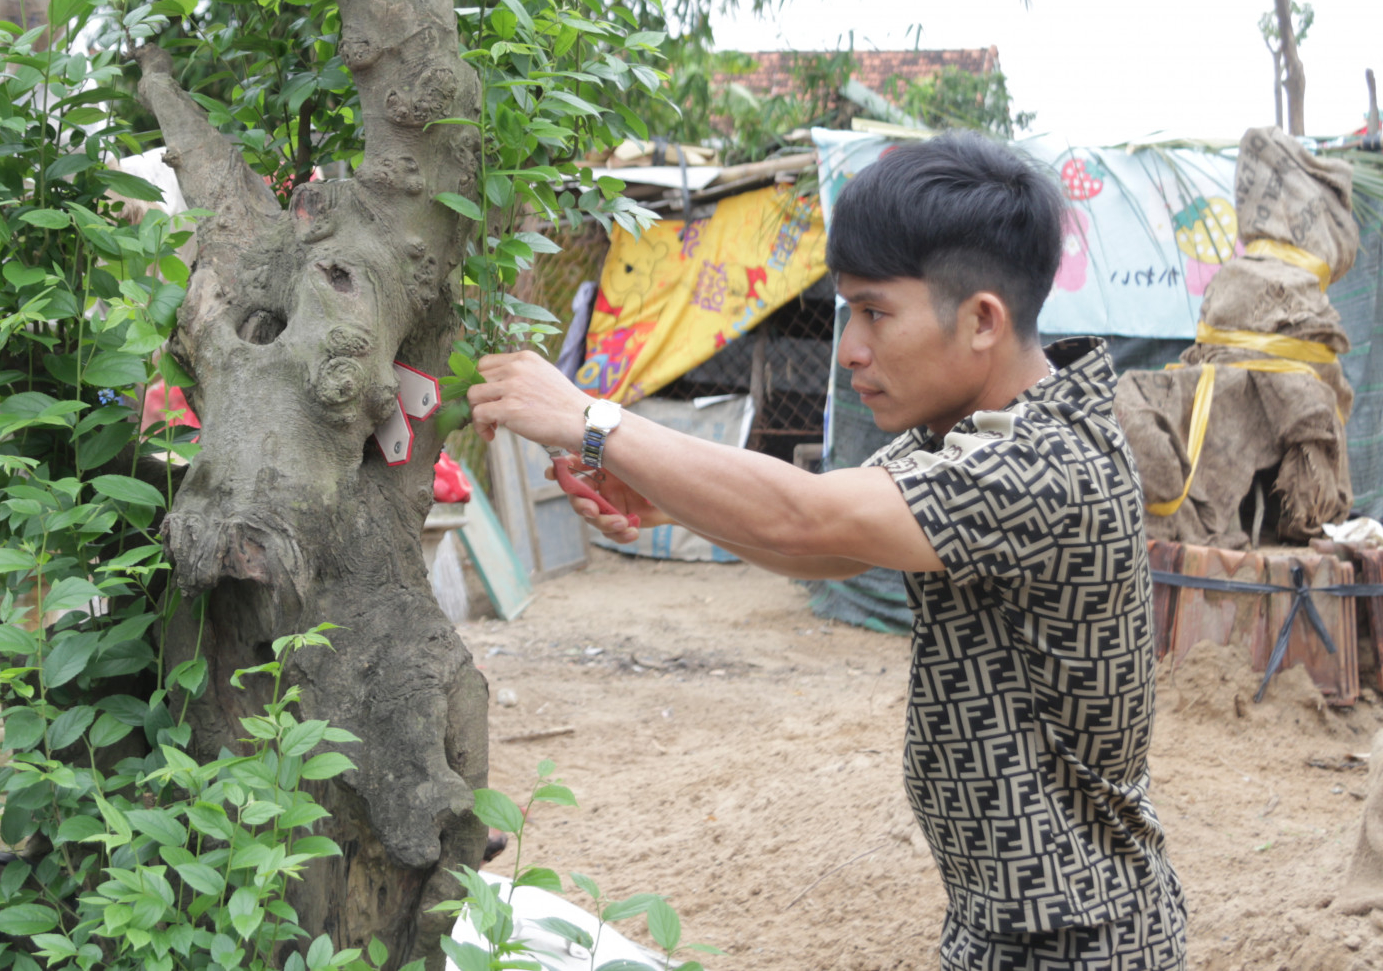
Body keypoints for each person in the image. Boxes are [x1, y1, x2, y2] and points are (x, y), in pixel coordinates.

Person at [466, 130, 1185, 970]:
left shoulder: (1044, 462)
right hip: (1005, 921)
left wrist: (594, 421)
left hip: (1080, 941)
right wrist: (663, 494)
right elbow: (834, 547)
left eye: (876, 312)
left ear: (982, 319)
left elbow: (807, 519)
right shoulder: (962, 435)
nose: (851, 347)